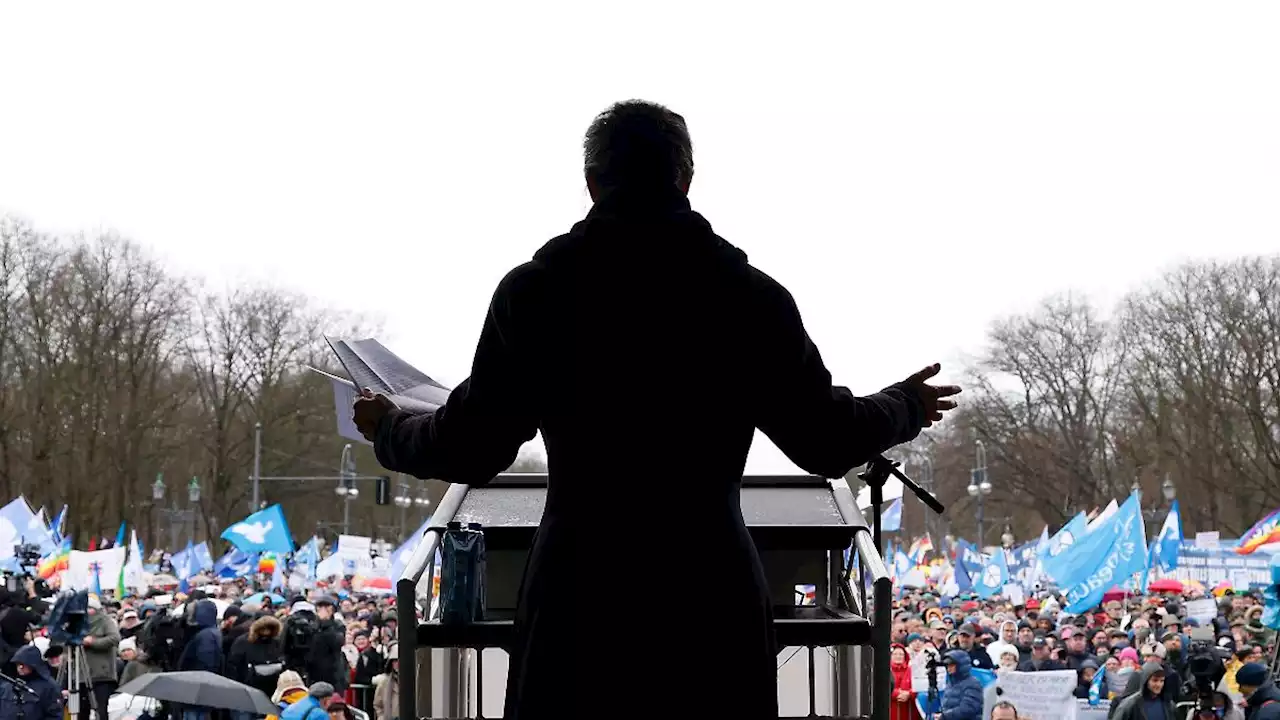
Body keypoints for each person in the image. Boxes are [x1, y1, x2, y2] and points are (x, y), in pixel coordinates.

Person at [352, 99, 960, 719]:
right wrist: (904, 404)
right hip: (709, 594)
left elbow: (471, 448)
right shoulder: (748, 297)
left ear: (591, 182)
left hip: (577, 597)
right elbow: (827, 440)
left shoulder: (537, 292)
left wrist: (391, 428)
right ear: (687, 179)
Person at [0, 645, 64, 720]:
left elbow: (55, 715)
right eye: (18, 663)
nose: (20, 667)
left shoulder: (48, 687)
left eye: (23, 664)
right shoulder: (7, 686)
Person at [935, 650, 983, 720]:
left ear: (961, 665)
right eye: (947, 665)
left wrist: (944, 716)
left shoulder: (973, 684)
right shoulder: (950, 683)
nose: (949, 668)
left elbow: (968, 709)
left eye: (952, 665)